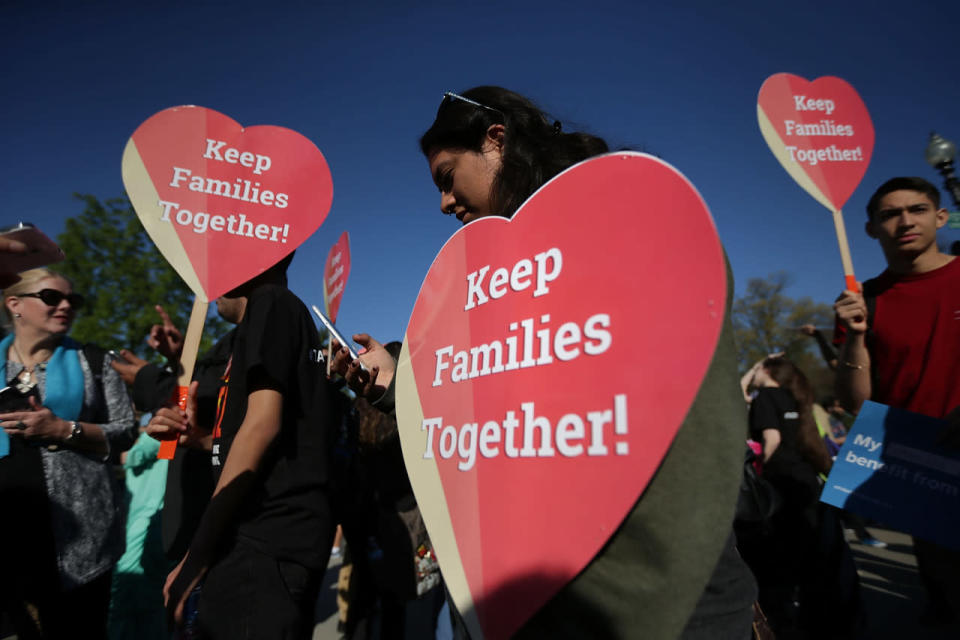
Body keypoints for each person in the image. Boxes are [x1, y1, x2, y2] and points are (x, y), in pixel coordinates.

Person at [334, 86, 756, 639]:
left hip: (651, 600)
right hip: (530, 603)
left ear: (496, 140)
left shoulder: (628, 218)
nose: (443, 203)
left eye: (446, 176)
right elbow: (496, 410)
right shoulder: (486, 287)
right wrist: (398, 385)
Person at [147, 253, 340, 639]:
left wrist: (197, 556)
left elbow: (262, 426)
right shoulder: (264, 322)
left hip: (262, 542)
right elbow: (274, 437)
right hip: (264, 542)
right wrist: (201, 439)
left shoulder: (270, 301)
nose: (213, 286)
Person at [833, 176, 960, 624]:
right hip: (924, 473)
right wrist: (855, 339)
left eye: (918, 209)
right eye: (890, 214)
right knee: (945, 591)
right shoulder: (863, 300)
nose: (905, 221)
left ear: (940, 217)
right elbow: (854, 402)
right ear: (871, 229)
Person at [0, 267, 136, 638]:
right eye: (51, 297)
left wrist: (62, 429)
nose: (65, 306)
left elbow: (125, 433)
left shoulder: (92, 362)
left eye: (71, 300)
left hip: (80, 542)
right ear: (15, 305)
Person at [738, 356, 861, 637]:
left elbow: (772, 439)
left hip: (779, 486)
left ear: (767, 371)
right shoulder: (795, 398)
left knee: (780, 566)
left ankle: (785, 624)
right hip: (805, 483)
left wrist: (756, 474)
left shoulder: (766, 396)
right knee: (813, 561)